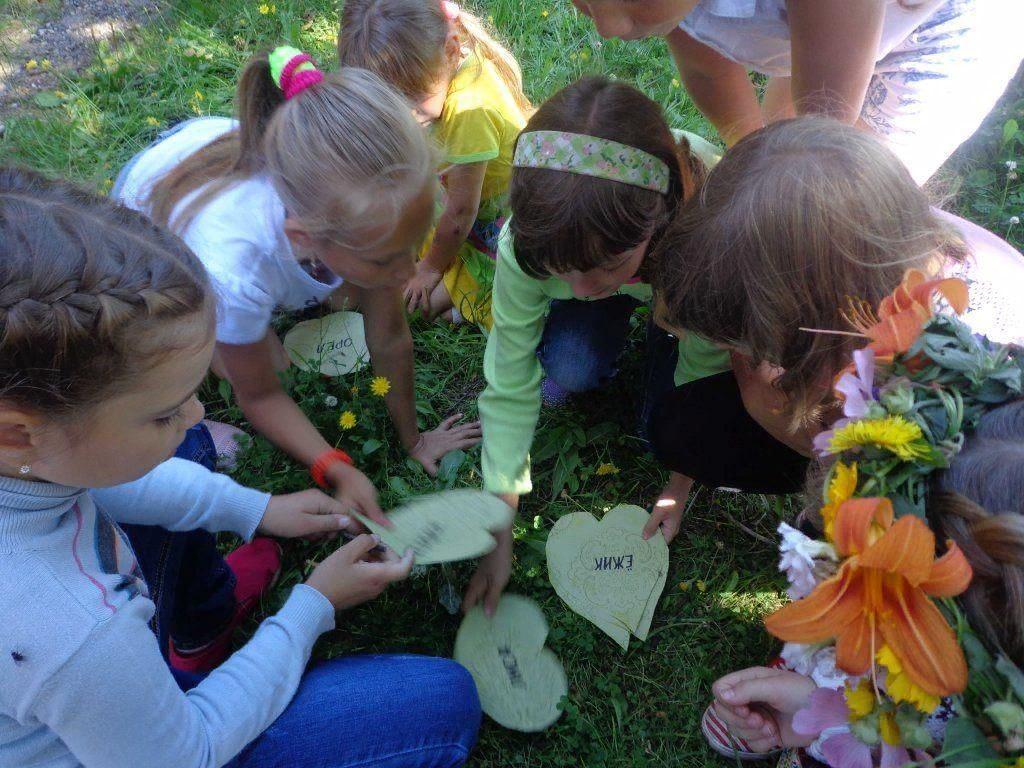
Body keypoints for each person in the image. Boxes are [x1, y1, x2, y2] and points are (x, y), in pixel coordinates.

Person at [0, 167, 481, 768]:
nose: (200, 410)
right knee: (442, 706)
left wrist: (259, 509)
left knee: (191, 452)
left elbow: (123, 485)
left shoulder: (29, 458)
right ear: (17, 432)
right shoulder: (75, 635)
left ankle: (200, 627)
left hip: (99, 701)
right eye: (162, 412)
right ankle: (185, 658)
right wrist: (310, 607)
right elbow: (188, 754)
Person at [114, 47, 480, 523]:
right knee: (260, 365)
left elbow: (390, 335)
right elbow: (261, 394)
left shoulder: (370, 214)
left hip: (230, 182)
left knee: (349, 295)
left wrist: (414, 439)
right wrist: (332, 465)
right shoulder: (236, 269)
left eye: (410, 246)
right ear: (304, 238)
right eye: (388, 258)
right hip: (149, 249)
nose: (408, 274)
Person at [650, 116, 1024, 534]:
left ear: (818, 337)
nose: (744, 356)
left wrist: (775, 414)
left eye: (758, 345)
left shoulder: (929, 385)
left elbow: (875, 484)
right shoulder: (875, 234)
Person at [466, 76, 720, 614]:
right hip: (644, 267)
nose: (581, 291)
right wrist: (499, 528)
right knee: (573, 367)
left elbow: (706, 369)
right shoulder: (529, 245)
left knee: (669, 429)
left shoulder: (704, 235)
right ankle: (642, 309)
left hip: (678, 278)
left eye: (603, 268)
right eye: (563, 273)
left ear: (659, 222)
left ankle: (661, 325)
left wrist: (680, 481)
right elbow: (509, 381)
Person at [570, 0, 1024, 184]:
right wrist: (747, 163)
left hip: (934, 32)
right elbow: (707, 68)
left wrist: (788, 193)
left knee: (847, 196)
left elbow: (824, 134)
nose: (606, 26)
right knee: (769, 159)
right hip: (811, 29)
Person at [339, 0, 530, 329]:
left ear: (452, 50)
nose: (405, 120)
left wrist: (429, 269)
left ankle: (467, 296)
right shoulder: (440, 64)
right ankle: (453, 293)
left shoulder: (472, 110)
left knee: (410, 304)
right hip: (454, 205)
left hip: (494, 226)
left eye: (412, 106)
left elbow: (460, 215)